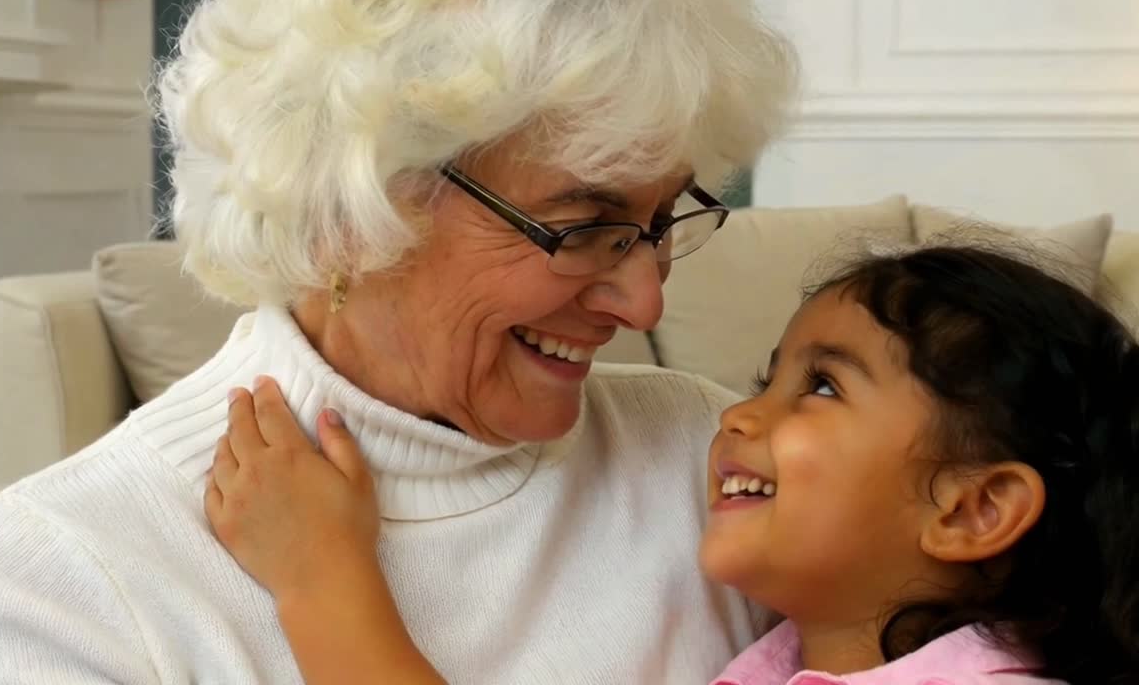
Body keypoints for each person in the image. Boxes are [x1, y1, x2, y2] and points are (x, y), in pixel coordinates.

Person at [0, 0, 795, 682]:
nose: (644, 303)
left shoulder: (715, 462)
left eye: (658, 222)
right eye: (580, 227)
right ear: (350, 209)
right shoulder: (55, 580)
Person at [209, 244, 1139, 684]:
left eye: (819, 388)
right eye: (765, 378)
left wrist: (323, 582)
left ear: (974, 512)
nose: (737, 415)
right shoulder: (778, 661)